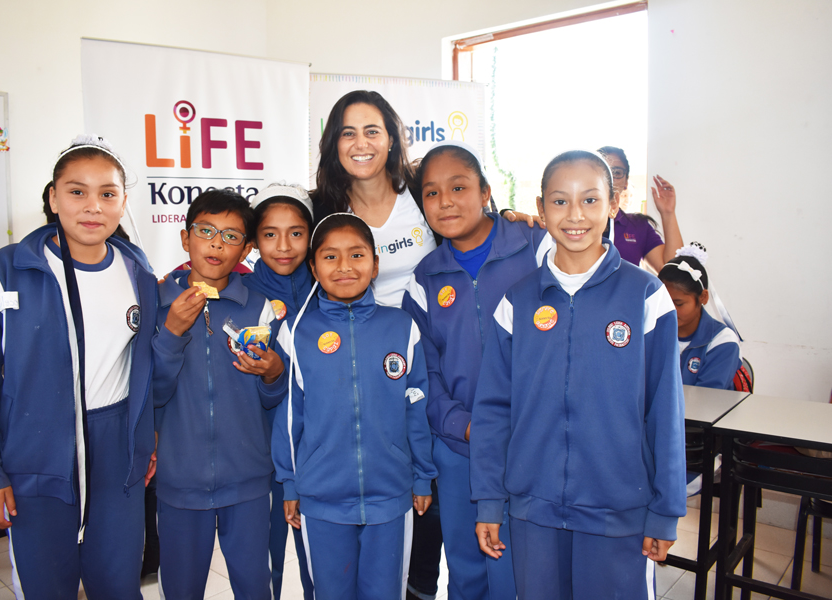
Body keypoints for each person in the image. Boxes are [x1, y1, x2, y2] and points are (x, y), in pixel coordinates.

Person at [470, 150, 686, 599]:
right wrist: (490, 499)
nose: (575, 216)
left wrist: (665, 510)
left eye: (590, 201)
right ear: (541, 206)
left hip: (619, 512)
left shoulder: (646, 297)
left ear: (613, 205)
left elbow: (664, 412)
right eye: (560, 201)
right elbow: (493, 409)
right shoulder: (518, 301)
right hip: (534, 512)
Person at [0, 136, 158, 597]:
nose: (93, 206)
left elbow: (146, 366)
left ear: (123, 202)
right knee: (46, 587)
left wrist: (146, 438)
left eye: (107, 193)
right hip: (35, 456)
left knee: (119, 586)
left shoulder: (138, 272)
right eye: (76, 191)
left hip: (117, 462)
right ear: (53, 197)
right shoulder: (6, 272)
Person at [402, 140, 549, 600]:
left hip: (533, 441)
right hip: (459, 448)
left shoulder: (535, 246)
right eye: (431, 193)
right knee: (467, 571)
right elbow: (423, 374)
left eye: (459, 187)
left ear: (486, 191)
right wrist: (461, 426)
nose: (445, 201)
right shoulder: (424, 278)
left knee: (524, 569)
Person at [272, 213, 437, 600]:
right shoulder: (297, 332)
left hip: (391, 498)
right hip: (321, 499)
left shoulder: (401, 326)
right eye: (330, 257)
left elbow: (416, 405)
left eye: (357, 255)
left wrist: (421, 475)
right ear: (313, 267)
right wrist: (291, 482)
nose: (344, 267)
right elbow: (290, 415)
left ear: (375, 263)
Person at [151, 189, 284, 599]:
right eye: (205, 231)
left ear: (245, 249)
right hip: (179, 482)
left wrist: (274, 373)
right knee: (181, 587)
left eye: (230, 236)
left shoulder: (260, 308)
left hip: (247, 480)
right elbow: (150, 392)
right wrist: (171, 333)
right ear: (185, 237)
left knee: (253, 585)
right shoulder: (156, 303)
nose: (216, 243)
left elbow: (271, 401)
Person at [242, 182, 316, 600]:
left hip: (316, 451)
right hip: (258, 454)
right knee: (260, 566)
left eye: (296, 233)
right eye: (270, 234)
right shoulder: (242, 294)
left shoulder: (329, 287)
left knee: (317, 562)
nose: (283, 246)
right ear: (254, 239)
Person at [312, 90, 437, 309]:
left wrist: (506, 217)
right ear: (335, 144)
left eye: (371, 132)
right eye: (348, 134)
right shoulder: (319, 211)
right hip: (361, 338)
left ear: (390, 139)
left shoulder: (423, 190)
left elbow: (469, 223)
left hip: (434, 336)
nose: (361, 144)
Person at [658, 244, 741, 390]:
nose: (670, 310)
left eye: (679, 303)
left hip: (704, 412)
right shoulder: (650, 332)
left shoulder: (722, 340)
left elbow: (708, 398)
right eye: (664, 302)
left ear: (703, 297)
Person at [598, 146, 683, 270]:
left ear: (626, 182)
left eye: (616, 172)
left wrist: (668, 213)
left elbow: (672, 270)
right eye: (603, 172)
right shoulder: (574, 222)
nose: (610, 178)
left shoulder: (637, 226)